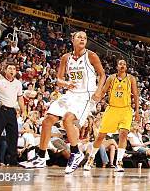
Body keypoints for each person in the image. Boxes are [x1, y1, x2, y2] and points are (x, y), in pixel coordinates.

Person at [21, 31, 105, 173]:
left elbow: (102, 74)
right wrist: (66, 84)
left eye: (85, 37)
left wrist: (98, 92)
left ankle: (75, 153)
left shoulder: (91, 56)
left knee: (68, 119)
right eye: (79, 37)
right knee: (47, 120)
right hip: (70, 94)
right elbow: (59, 80)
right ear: (72, 39)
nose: (82, 39)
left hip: (86, 95)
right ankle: (41, 157)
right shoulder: (66, 57)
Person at [84, 59, 139, 172]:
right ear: (117, 66)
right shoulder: (111, 78)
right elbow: (103, 91)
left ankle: (119, 162)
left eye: (124, 64)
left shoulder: (131, 79)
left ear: (126, 67)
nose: (122, 65)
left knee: (123, 134)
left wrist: (137, 111)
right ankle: (91, 158)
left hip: (126, 110)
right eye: (120, 64)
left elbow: (136, 95)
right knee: (101, 135)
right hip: (112, 109)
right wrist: (95, 99)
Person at [0, 61, 25, 166]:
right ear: (5, 70)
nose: (12, 71)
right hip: (0, 111)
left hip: (12, 111)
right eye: (10, 68)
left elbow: (20, 98)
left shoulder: (18, 83)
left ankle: (12, 160)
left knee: (13, 136)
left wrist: (24, 110)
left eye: (14, 69)